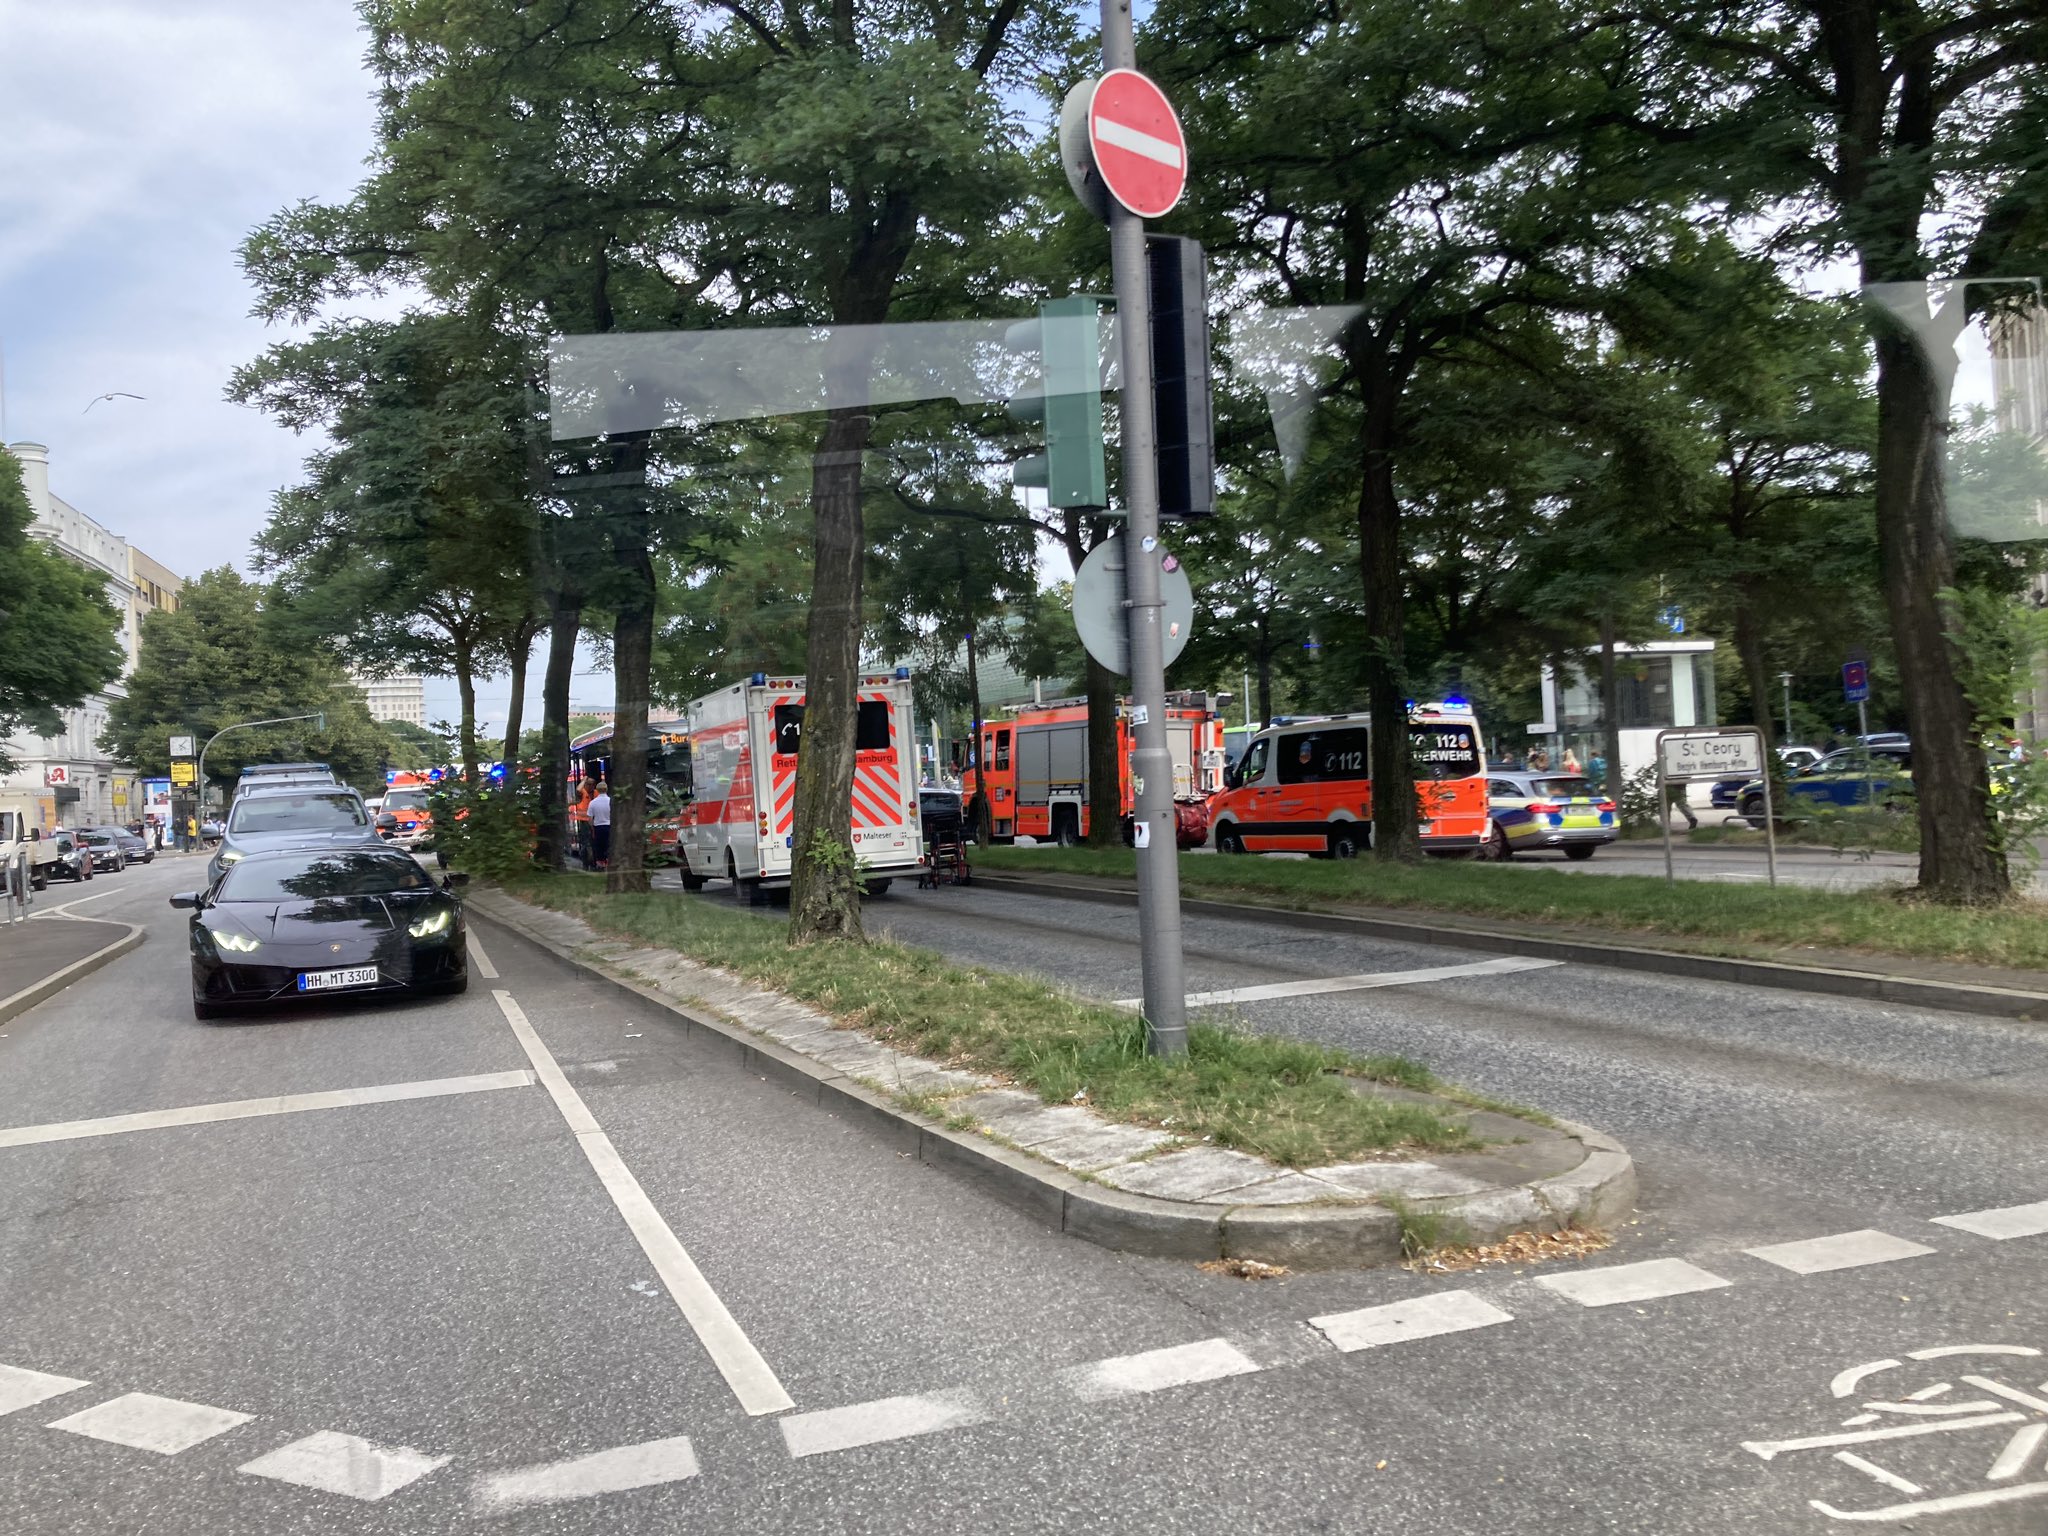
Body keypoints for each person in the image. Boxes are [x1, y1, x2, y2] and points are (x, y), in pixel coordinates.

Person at [588, 781, 612, 869]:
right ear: (607, 789)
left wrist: (592, 829)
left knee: (599, 847)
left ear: (597, 790)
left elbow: (590, 819)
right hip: (609, 826)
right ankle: (609, 862)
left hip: (598, 827)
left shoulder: (593, 803)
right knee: (609, 845)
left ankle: (600, 864)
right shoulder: (611, 801)